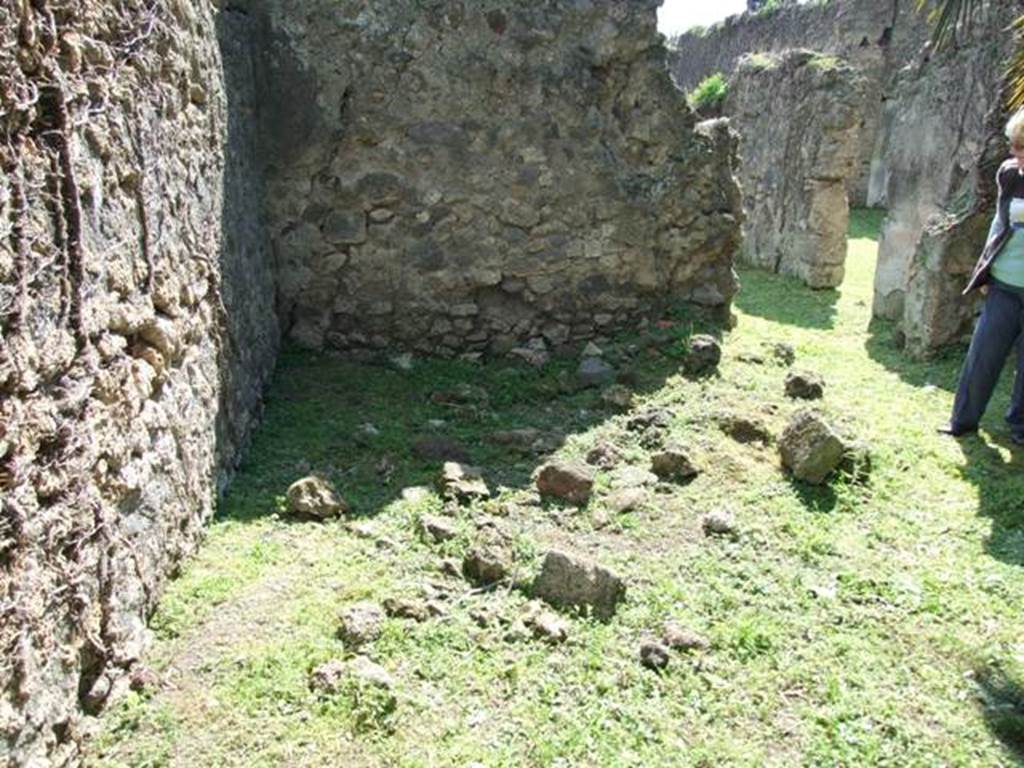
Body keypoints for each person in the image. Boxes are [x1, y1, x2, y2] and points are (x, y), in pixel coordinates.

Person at [942, 108, 1024, 440]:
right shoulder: (1009, 174)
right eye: (1016, 147)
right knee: (983, 355)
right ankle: (962, 421)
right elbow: (999, 224)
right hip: (1004, 283)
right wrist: (985, 272)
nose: (1017, 156)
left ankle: (1019, 428)